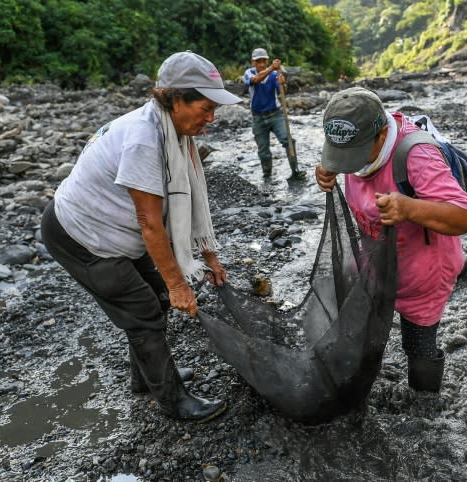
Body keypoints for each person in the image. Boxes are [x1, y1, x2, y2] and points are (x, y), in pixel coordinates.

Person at [40, 51, 240, 422]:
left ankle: (146, 379)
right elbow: (150, 223)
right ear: (176, 99)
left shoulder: (174, 131)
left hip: (114, 230)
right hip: (80, 236)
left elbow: (189, 204)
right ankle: (173, 401)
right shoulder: (145, 139)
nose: (211, 118)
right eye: (206, 107)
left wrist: (209, 257)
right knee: (144, 312)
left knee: (157, 296)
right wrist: (179, 284)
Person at [314, 87, 467, 392]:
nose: (351, 163)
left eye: (355, 156)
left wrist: (409, 207)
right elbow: (344, 158)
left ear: (381, 134)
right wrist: (329, 168)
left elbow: (465, 217)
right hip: (379, 260)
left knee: (417, 344)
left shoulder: (416, 156)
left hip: (424, 270)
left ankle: (425, 409)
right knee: (360, 328)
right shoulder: (355, 141)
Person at [243, 48, 305, 181]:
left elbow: (283, 91)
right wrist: (272, 68)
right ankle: (267, 175)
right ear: (253, 62)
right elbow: (256, 80)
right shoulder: (249, 73)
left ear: (266, 61)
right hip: (258, 117)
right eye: (258, 61)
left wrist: (283, 84)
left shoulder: (273, 75)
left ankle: (295, 170)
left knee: (288, 141)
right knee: (263, 150)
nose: (261, 64)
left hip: (275, 114)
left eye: (264, 61)